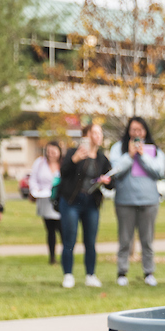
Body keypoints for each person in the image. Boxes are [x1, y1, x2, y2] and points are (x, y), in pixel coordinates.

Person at [109, 117, 165, 287]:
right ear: (128, 131)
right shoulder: (118, 149)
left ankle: (149, 273)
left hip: (149, 201)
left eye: (140, 130)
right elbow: (115, 171)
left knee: (147, 240)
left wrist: (143, 156)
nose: (137, 133)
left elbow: (159, 171)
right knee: (125, 239)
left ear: (145, 131)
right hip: (125, 201)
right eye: (133, 130)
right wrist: (129, 156)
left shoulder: (155, 151)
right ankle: (122, 272)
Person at [58, 123, 112, 288]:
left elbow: (111, 183)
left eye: (100, 133)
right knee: (70, 239)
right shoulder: (74, 152)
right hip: (72, 202)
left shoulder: (102, 158)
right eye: (95, 132)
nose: (98, 136)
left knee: (90, 241)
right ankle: (68, 275)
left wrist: (106, 181)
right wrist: (75, 160)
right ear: (86, 135)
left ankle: (90, 275)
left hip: (91, 203)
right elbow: (63, 172)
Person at [28, 141, 63, 265]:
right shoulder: (40, 163)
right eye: (49, 152)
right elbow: (33, 179)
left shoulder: (64, 164)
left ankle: (66, 256)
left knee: (62, 228)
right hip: (45, 199)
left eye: (53, 152)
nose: (51, 155)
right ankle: (52, 257)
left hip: (60, 200)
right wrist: (34, 190)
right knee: (50, 229)